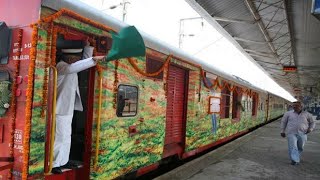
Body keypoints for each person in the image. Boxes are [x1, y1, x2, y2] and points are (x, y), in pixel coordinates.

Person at [52, 40, 105, 174]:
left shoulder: (69, 66)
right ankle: (54, 163)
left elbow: (82, 65)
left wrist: (88, 48)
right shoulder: (61, 67)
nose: (77, 61)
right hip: (59, 110)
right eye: (76, 59)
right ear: (69, 58)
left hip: (67, 109)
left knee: (66, 136)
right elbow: (75, 67)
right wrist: (94, 59)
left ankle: (63, 160)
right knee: (59, 137)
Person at [280, 101, 315, 165]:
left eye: (296, 106)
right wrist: (282, 131)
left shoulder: (307, 114)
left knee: (300, 147)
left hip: (303, 133)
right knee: (293, 146)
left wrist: (310, 129)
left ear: (301, 107)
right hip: (291, 133)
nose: (294, 107)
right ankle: (294, 160)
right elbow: (283, 122)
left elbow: (312, 122)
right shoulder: (288, 114)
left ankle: (296, 157)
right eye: (294, 105)